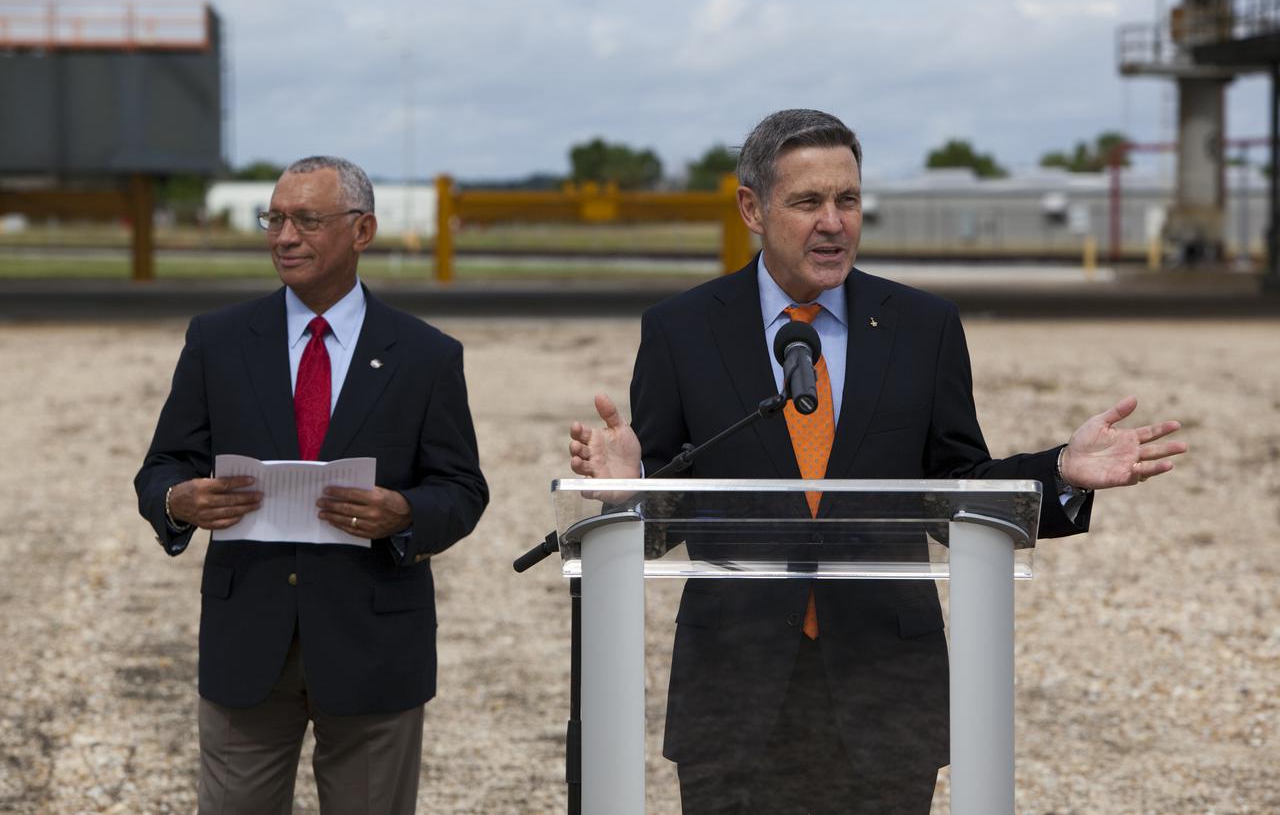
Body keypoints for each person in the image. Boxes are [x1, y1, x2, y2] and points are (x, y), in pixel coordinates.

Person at [568, 109, 1186, 813]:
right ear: (752, 208)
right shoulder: (681, 330)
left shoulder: (923, 327)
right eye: (808, 202)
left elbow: (957, 486)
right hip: (732, 688)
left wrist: (1058, 473)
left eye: (848, 200)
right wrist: (631, 490)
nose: (834, 222)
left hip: (888, 686)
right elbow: (668, 511)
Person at [135, 156, 488, 814]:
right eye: (274, 219)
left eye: (306, 220)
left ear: (362, 230)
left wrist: (405, 512)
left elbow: (462, 488)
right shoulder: (217, 341)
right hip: (247, 644)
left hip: (375, 645)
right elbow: (161, 468)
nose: (283, 236)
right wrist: (177, 501)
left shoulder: (427, 355)